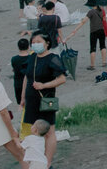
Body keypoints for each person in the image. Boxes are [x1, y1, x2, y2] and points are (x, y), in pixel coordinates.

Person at [20, 34, 66, 165]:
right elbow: (27, 77)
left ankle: (47, 162)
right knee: (34, 131)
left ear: (46, 43)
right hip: (31, 100)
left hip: (46, 100)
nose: (35, 44)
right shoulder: (32, 57)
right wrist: (22, 97)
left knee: (49, 131)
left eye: (38, 41)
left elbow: (62, 79)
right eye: (33, 42)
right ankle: (37, 160)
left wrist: (43, 85)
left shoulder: (53, 58)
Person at [64, 0, 107, 70]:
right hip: (101, 30)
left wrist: (75, 29)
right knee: (102, 46)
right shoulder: (101, 10)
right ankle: (104, 62)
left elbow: (84, 21)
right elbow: (104, 20)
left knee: (93, 48)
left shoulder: (91, 12)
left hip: (94, 31)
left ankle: (92, 65)